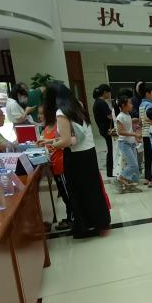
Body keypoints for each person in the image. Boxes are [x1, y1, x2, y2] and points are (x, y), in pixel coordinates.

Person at [40, 82, 110, 239]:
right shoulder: (77, 106)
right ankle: (99, 223)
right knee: (92, 190)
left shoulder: (61, 112)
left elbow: (66, 141)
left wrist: (52, 145)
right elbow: (76, 136)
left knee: (78, 193)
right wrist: (51, 141)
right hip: (88, 153)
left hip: (76, 157)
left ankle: (85, 226)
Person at [41, 105, 74, 230]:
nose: (40, 116)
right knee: (63, 192)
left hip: (61, 165)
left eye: (42, 113)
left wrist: (52, 144)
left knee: (67, 193)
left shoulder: (59, 127)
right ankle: (70, 217)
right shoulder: (46, 129)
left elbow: (65, 143)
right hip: (54, 165)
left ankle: (72, 218)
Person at [115, 94, 141, 193]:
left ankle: (132, 185)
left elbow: (128, 128)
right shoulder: (120, 116)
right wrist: (134, 134)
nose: (132, 105)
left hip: (131, 143)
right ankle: (121, 177)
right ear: (123, 105)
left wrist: (135, 137)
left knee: (135, 166)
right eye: (129, 103)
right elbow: (120, 132)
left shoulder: (127, 115)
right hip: (124, 143)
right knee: (133, 165)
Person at [92, 84, 115, 178]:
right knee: (111, 149)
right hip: (107, 129)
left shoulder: (97, 102)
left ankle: (111, 171)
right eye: (109, 92)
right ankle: (111, 171)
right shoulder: (101, 103)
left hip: (103, 129)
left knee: (111, 149)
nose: (109, 94)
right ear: (105, 92)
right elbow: (109, 116)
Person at [138, 83, 152, 186]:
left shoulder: (141, 104)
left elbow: (140, 121)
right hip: (150, 133)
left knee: (147, 156)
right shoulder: (149, 105)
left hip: (144, 133)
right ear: (147, 94)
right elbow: (149, 118)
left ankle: (147, 177)